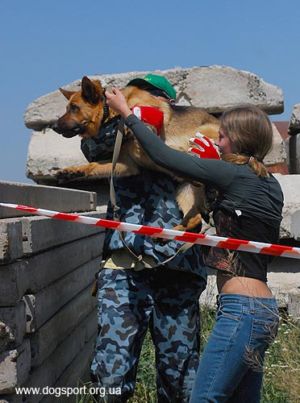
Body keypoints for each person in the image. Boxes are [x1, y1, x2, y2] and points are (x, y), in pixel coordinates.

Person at [105, 87, 283, 403]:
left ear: (238, 141)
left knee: (204, 396)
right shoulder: (270, 184)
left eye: (223, 137)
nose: (217, 141)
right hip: (264, 311)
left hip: (241, 311)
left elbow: (162, 156)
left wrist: (126, 113)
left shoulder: (232, 173)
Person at [84, 75, 208, 402]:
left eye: (151, 97)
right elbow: (90, 145)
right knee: (111, 375)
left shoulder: (193, 135)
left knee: (180, 377)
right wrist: (126, 116)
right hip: (122, 271)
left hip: (177, 267)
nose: (142, 101)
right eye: (136, 95)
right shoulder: (117, 132)